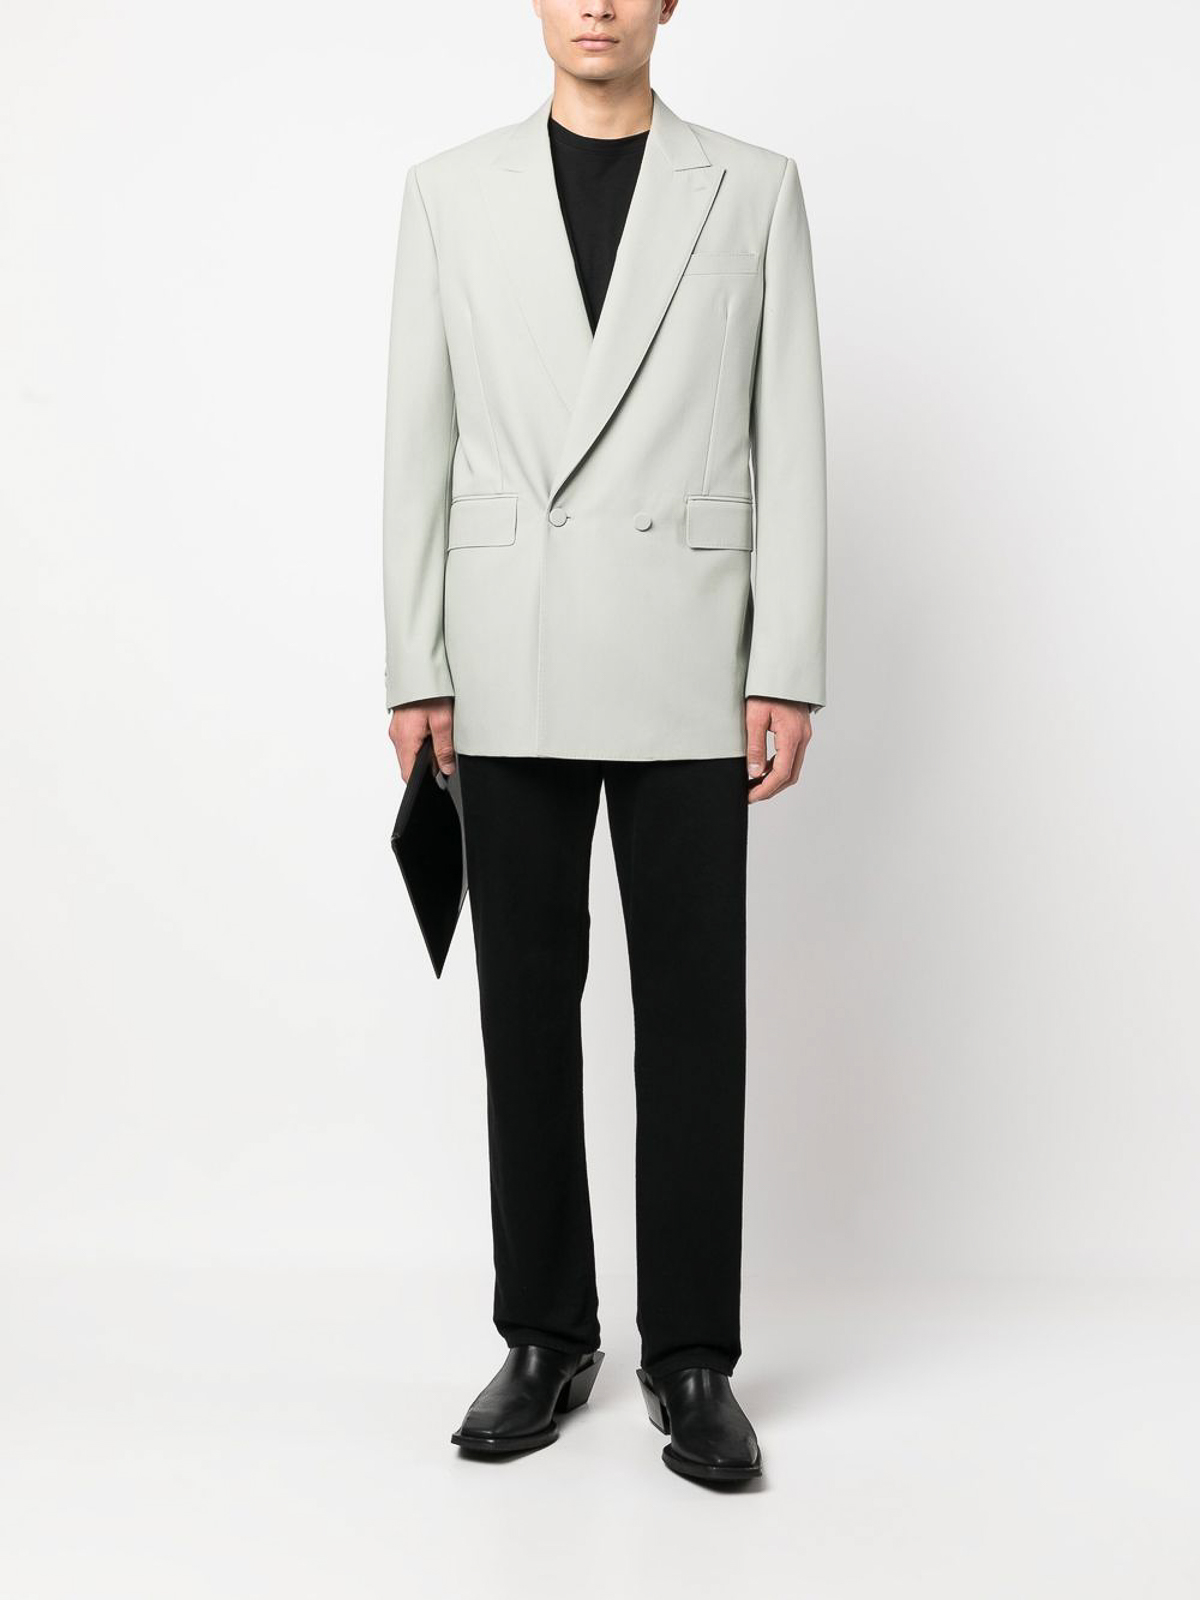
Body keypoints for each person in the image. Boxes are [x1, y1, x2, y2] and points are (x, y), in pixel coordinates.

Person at [382, 0, 826, 1485]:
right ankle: (545, 1333)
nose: (595, 3)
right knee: (524, 1008)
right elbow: (418, 443)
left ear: (668, 2)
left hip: (692, 648)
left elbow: (791, 431)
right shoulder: (449, 192)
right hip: (507, 648)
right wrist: (416, 663)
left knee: (694, 1011)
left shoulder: (753, 186)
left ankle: (691, 1356)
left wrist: (787, 661)